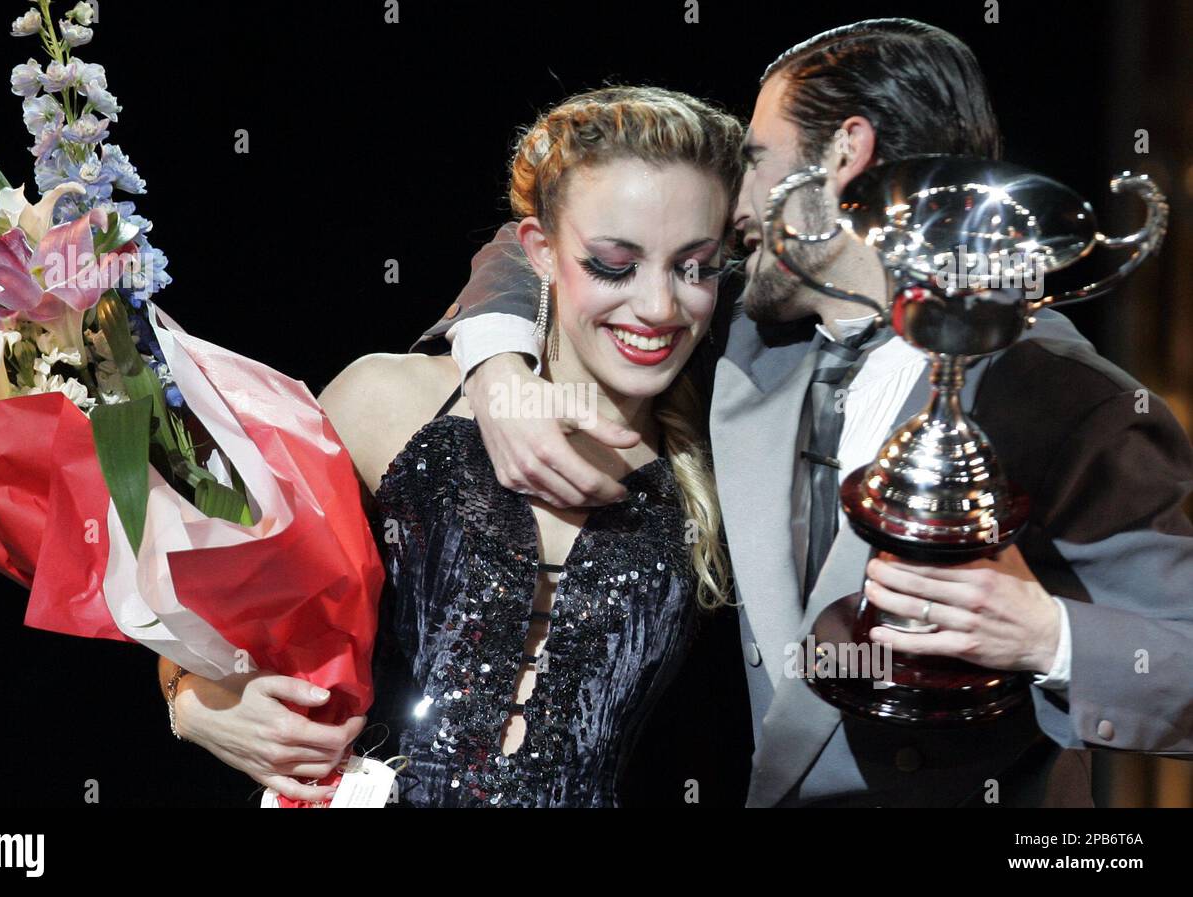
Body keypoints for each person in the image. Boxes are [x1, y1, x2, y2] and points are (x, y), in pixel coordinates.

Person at [420, 19, 1193, 807]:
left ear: (843, 154)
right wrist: (498, 372)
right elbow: (545, 242)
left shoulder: (1069, 397)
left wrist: (1046, 636)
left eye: (755, 160)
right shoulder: (738, 323)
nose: (735, 202)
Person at [161, 85, 744, 806]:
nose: (658, 306)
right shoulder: (386, 400)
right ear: (539, 250)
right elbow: (194, 600)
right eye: (614, 263)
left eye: (695, 267)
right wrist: (193, 703)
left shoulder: (724, 463)